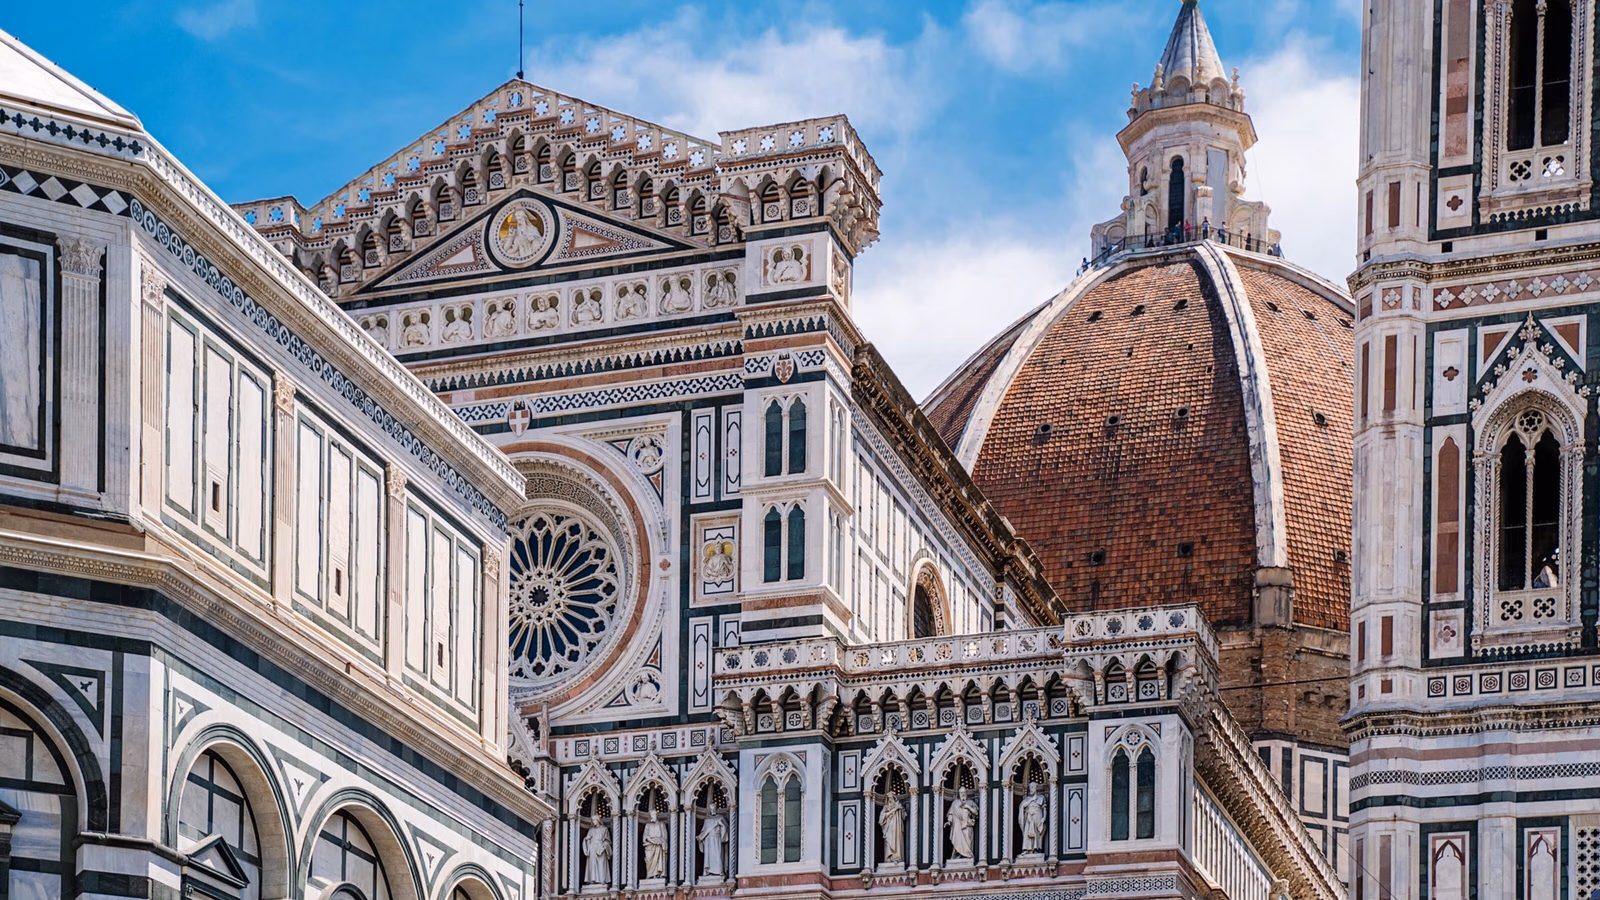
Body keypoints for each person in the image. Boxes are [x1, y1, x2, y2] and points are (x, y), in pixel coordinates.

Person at [1018, 782, 1047, 854]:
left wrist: (1044, 817)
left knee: (1037, 832)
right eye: (1030, 787)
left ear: (1036, 788)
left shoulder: (1041, 797)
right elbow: (1022, 806)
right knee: (1027, 831)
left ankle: (1037, 848)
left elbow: (1044, 808)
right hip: (1029, 816)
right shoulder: (1027, 798)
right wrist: (1032, 799)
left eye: (1032, 787)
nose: (1031, 789)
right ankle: (1026, 849)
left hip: (1038, 815)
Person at [946, 794, 977, 861]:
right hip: (957, 826)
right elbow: (951, 813)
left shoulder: (970, 802)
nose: (962, 794)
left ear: (966, 793)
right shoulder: (955, 803)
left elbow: (976, 812)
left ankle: (968, 855)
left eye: (963, 792)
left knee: (967, 839)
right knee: (957, 841)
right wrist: (949, 821)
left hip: (967, 825)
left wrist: (967, 807)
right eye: (961, 793)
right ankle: (958, 854)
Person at [698, 813, 727, 878]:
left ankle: (719, 871)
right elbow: (703, 830)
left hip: (717, 838)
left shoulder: (720, 818)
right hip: (708, 840)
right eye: (711, 809)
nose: (713, 810)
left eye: (714, 809)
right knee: (709, 856)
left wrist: (721, 824)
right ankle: (707, 871)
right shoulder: (707, 819)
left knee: (717, 855)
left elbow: (725, 828)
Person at [642, 810, 668, 880]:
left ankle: (657, 875)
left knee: (658, 860)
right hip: (650, 846)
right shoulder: (648, 825)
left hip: (658, 845)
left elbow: (664, 837)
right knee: (648, 859)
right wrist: (651, 840)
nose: (653, 816)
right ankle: (650, 875)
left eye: (654, 814)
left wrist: (661, 842)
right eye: (652, 815)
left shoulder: (661, 824)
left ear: (656, 815)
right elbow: (645, 837)